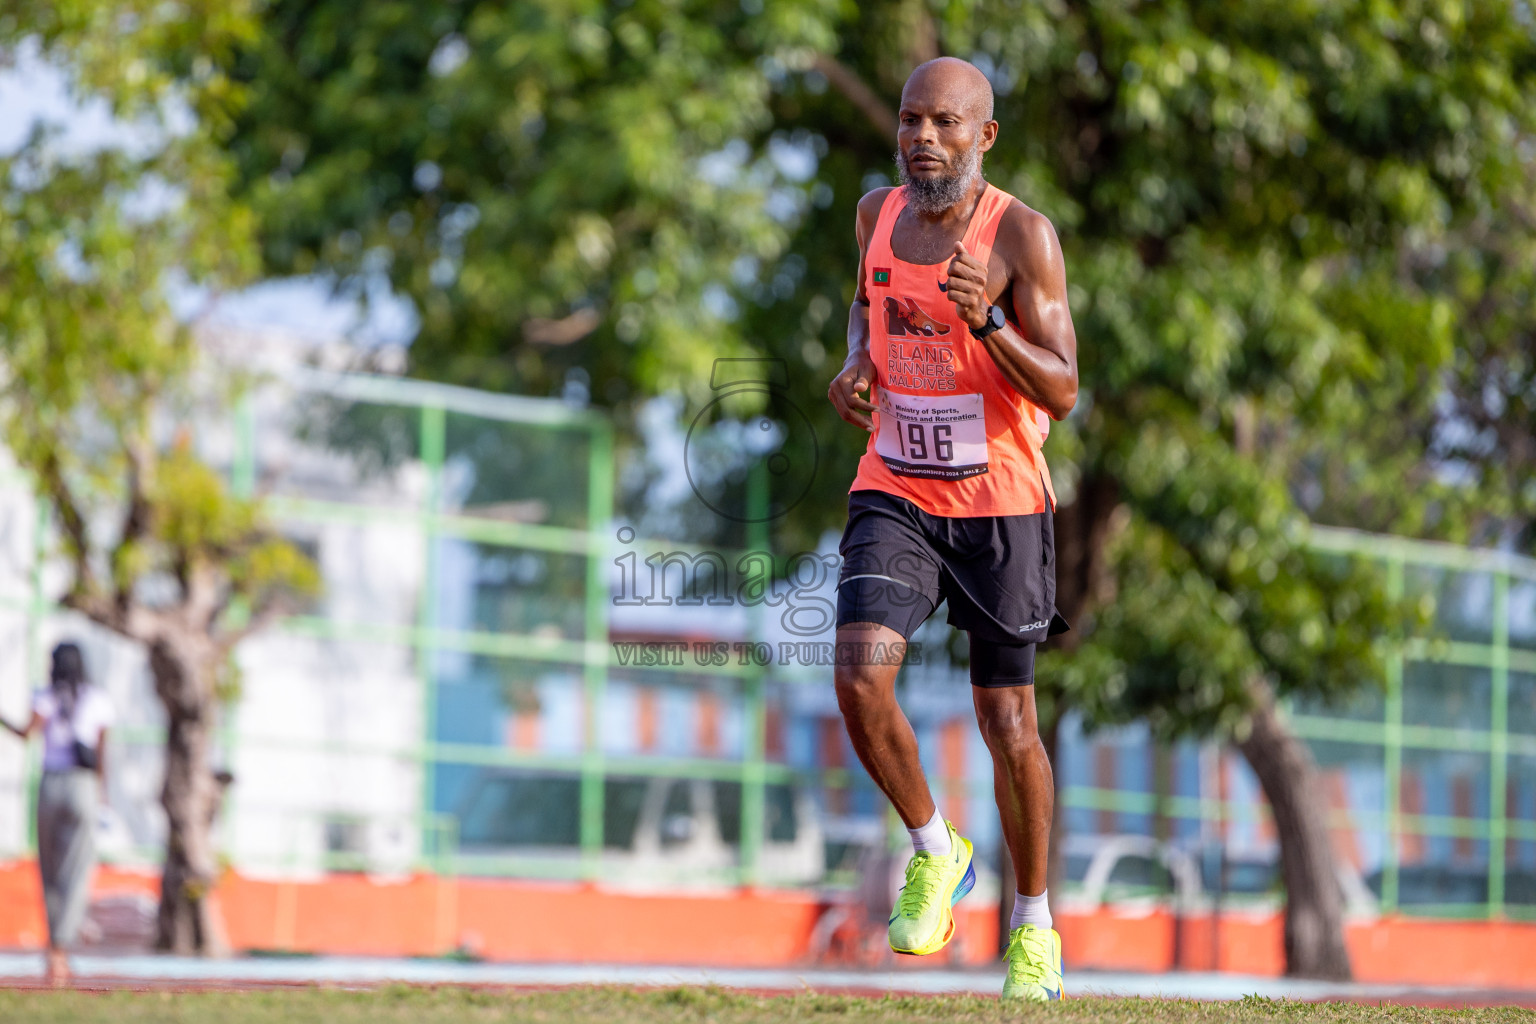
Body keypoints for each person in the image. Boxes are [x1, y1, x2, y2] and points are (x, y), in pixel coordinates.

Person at [825, 57, 1079, 1000]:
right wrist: (856, 362)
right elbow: (865, 303)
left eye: (943, 122)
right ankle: (937, 849)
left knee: (1006, 719)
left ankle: (1034, 925)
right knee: (857, 673)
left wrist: (989, 327)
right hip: (895, 484)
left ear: (984, 137)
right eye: (909, 120)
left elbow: (1063, 385)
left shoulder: (1023, 235)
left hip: (1002, 500)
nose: (922, 136)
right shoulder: (874, 216)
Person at [2, 642, 114, 986]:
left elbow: (26, 733)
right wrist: (102, 796)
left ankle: (55, 948)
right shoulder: (96, 700)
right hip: (82, 788)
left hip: (51, 786)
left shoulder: (46, 697)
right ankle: (64, 944)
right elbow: (100, 753)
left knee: (49, 867)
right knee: (77, 869)